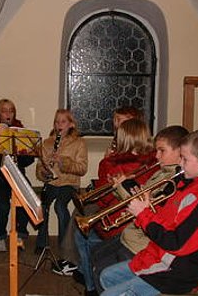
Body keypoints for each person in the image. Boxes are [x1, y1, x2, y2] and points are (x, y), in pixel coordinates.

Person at [99, 129, 198, 296]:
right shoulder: (189, 184)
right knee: (106, 277)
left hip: (179, 272)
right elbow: (168, 221)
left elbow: (177, 243)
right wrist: (148, 207)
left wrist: (143, 215)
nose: (181, 164)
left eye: (185, 159)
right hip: (160, 256)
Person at [91, 125, 189, 293]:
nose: (156, 156)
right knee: (96, 255)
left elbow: (152, 209)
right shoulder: (161, 172)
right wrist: (124, 184)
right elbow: (141, 192)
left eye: (162, 151)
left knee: (102, 269)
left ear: (180, 151)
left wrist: (124, 187)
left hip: (140, 242)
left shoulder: (172, 180)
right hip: (131, 233)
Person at [74, 118, 158, 296]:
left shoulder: (110, 164)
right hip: (137, 224)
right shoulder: (153, 163)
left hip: (119, 225)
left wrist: (106, 161)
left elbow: (102, 201)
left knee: (82, 237)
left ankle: (90, 287)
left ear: (122, 139)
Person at [0, 99, 34, 252]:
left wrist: (21, 154)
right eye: (4, 110)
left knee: (25, 201)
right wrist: (1, 156)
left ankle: (20, 235)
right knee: (3, 205)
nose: (8, 113)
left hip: (16, 176)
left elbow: (28, 160)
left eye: (11, 110)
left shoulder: (21, 131)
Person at [35, 109, 88, 255]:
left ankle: (65, 244)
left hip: (69, 183)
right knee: (42, 205)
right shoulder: (47, 143)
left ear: (71, 124)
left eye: (63, 122)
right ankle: (42, 242)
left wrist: (63, 162)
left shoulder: (79, 143)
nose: (59, 125)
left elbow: (82, 169)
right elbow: (39, 168)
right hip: (52, 183)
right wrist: (45, 172)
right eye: (57, 122)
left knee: (60, 206)